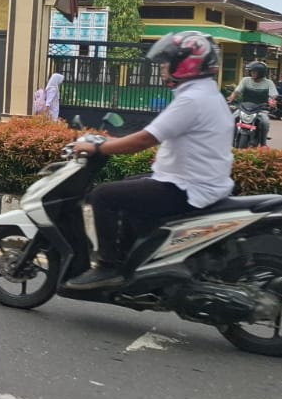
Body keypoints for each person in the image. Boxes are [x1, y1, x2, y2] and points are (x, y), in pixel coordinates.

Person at [65, 31, 234, 290]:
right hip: (199, 182)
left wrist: (99, 148)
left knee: (103, 196)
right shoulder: (208, 94)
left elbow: (144, 140)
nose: (163, 67)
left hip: (187, 188)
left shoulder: (192, 100)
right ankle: (137, 265)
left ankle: (109, 266)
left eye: (168, 62)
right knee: (132, 189)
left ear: (187, 64)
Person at [228, 61, 277, 142]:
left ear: (261, 73)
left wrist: (272, 102)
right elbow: (237, 92)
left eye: (254, 72)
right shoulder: (245, 80)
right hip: (244, 108)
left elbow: (273, 96)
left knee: (265, 122)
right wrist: (231, 99)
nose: (252, 74)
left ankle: (263, 143)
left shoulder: (269, 83)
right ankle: (231, 139)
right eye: (251, 72)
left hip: (261, 109)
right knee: (232, 118)